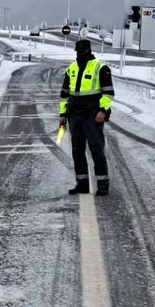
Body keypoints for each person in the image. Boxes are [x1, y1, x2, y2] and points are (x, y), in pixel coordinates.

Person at [59, 39, 114, 196]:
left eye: (82, 50)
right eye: (77, 51)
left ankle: (103, 185)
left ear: (89, 50)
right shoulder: (71, 68)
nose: (79, 53)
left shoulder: (101, 68)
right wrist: (62, 114)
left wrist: (103, 111)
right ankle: (82, 184)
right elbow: (64, 94)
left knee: (96, 149)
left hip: (93, 115)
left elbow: (108, 93)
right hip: (74, 115)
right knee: (77, 151)